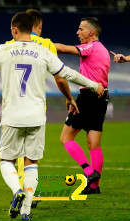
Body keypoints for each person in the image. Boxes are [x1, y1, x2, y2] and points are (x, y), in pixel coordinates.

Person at [0, 12, 104, 221]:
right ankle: (26, 210)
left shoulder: (4, 50)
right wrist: (95, 85)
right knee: (32, 163)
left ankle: (17, 191)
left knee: (6, 160)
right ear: (32, 28)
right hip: (37, 117)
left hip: (12, 116)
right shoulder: (43, 52)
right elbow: (67, 73)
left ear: (14, 30)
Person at [0, 10, 75, 206]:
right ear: (39, 26)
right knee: (31, 158)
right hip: (36, 108)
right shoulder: (47, 45)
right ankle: (29, 196)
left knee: (11, 155)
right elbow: (60, 78)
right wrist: (69, 97)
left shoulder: (9, 46)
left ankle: (19, 191)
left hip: (14, 109)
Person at [55, 17, 110, 194]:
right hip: (102, 98)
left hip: (88, 97)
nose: (78, 32)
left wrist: (40, 44)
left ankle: (89, 171)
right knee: (94, 143)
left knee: (65, 137)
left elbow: (63, 48)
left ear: (91, 32)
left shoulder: (91, 47)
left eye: (81, 29)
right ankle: (94, 187)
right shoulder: (103, 50)